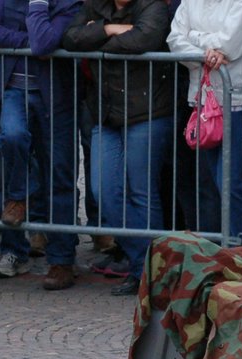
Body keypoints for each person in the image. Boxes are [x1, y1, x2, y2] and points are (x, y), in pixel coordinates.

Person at [62, 0, 175, 295]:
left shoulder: (153, 6)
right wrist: (109, 28)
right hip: (106, 113)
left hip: (147, 111)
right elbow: (71, 38)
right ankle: (148, 264)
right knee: (103, 190)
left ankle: (146, 274)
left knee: (142, 192)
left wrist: (96, 40)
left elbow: (144, 39)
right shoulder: (95, 5)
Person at [0, 0, 84, 289]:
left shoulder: (69, 3)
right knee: (11, 139)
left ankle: (61, 259)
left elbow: (44, 42)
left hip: (56, 98)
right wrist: (28, 40)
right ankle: (14, 249)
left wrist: (36, 8)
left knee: (59, 177)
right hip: (11, 91)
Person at [169, 0, 242, 245]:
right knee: (207, 182)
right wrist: (207, 50)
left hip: (238, 94)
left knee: (230, 181)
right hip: (203, 97)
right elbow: (174, 40)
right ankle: (217, 251)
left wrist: (195, 39)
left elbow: (230, 44)